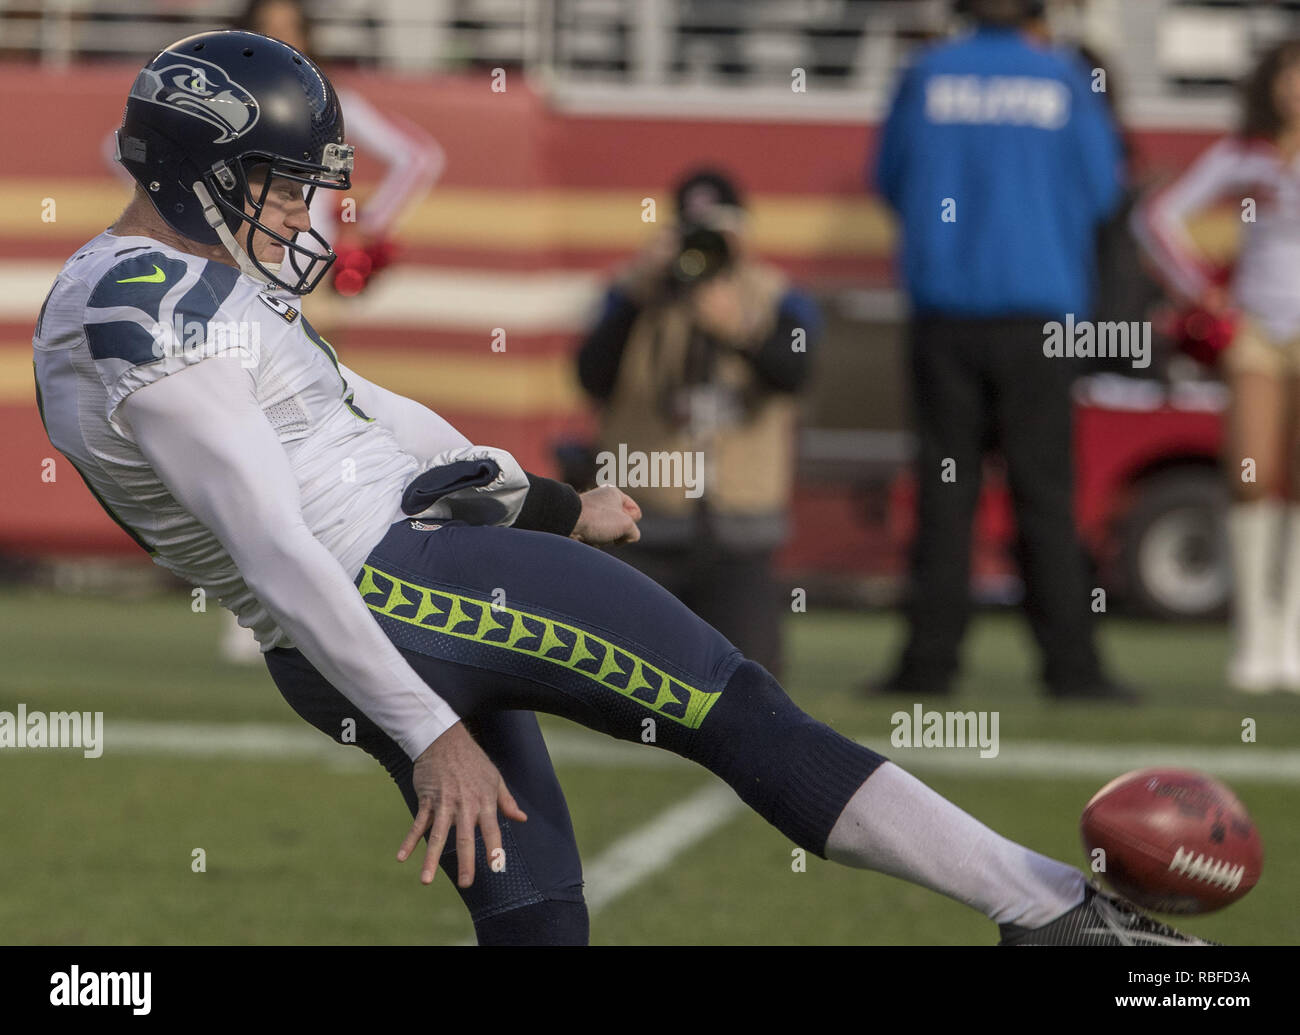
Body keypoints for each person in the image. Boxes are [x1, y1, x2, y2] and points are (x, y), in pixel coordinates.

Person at [33, 29, 1207, 946]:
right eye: (279, 186)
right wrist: (433, 729)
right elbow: (280, 547)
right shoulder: (154, 330)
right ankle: (1050, 910)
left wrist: (550, 504)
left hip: (361, 621)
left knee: (536, 910)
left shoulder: (152, 279)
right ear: (198, 172)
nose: (303, 214)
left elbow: (363, 417)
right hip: (394, 592)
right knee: (741, 712)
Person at [870, 0, 1132, 701]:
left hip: (946, 313)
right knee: (1045, 493)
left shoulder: (926, 73)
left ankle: (928, 665)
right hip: (1040, 315)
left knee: (944, 493)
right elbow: (1104, 190)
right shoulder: (1064, 78)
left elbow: (890, 180)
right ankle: (1072, 667)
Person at [576, 169, 819, 677]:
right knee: (617, 678)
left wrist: (741, 331)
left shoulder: (776, 297)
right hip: (641, 521)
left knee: (750, 681)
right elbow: (591, 377)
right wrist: (637, 295)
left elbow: (794, 374)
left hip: (740, 528)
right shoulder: (633, 294)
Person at [1135, 40, 1300, 695]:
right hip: (1258, 332)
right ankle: (1254, 639)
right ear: (1271, 84)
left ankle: (1292, 636)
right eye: (1290, 77)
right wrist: (1202, 290)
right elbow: (1155, 218)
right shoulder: (1245, 154)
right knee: (1251, 475)